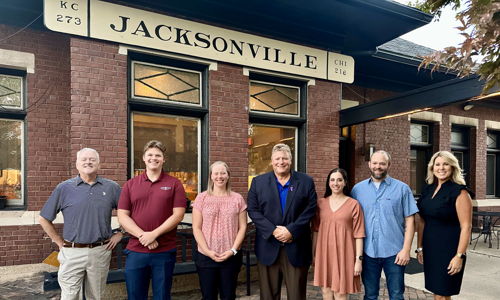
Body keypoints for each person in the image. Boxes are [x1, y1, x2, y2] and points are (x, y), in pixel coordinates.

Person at [39, 148, 122, 300]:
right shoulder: (64, 188)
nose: (88, 162)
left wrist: (120, 232)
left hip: (100, 251)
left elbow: (129, 212)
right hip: (72, 252)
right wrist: (57, 240)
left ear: (99, 164)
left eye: (92, 159)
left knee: (95, 296)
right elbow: (44, 218)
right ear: (77, 164)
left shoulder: (112, 188)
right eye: (84, 159)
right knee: (70, 296)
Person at [117, 140, 186, 300]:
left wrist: (154, 234)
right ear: (143, 158)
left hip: (163, 251)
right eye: (150, 154)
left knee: (162, 296)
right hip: (136, 250)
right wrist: (144, 237)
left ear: (163, 159)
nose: (153, 158)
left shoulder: (174, 184)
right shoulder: (130, 185)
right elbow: (122, 216)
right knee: (135, 295)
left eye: (158, 155)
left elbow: (178, 215)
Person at [247, 143, 317, 300]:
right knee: (268, 295)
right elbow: (253, 210)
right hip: (268, 245)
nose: (281, 162)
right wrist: (273, 230)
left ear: (290, 160)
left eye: (284, 158)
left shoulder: (306, 181)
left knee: (296, 295)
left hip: (296, 245)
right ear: (272, 161)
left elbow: (310, 209)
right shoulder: (258, 182)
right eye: (277, 158)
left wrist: (291, 230)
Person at [351, 150, 418, 300]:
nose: (378, 166)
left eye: (382, 163)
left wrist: (406, 250)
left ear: (389, 165)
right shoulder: (357, 190)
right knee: (370, 295)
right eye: (375, 163)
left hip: (395, 252)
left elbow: (410, 221)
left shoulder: (402, 189)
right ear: (369, 164)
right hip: (368, 252)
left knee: (396, 294)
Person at [415, 151, 473, 300]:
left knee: (442, 293)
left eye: (445, 164)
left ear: (453, 167)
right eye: (438, 164)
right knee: (438, 292)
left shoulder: (460, 192)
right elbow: (422, 220)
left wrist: (459, 255)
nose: (441, 168)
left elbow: (466, 226)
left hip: (450, 250)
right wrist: (420, 247)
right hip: (431, 248)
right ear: (432, 168)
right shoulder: (428, 189)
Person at [192, 161, 247, 300]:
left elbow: (243, 227)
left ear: (228, 175)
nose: (219, 176)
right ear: (211, 176)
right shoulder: (202, 198)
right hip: (206, 256)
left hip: (230, 256)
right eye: (216, 173)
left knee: (228, 296)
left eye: (223, 173)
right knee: (208, 296)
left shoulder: (237, 199)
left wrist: (233, 250)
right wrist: (207, 251)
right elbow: (196, 228)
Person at [312, 168, 365, 300]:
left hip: (345, 255)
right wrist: (314, 255)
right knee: (326, 292)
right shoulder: (320, 204)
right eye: (332, 180)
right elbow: (316, 231)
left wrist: (358, 260)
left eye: (339, 180)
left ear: (345, 183)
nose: (336, 183)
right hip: (324, 254)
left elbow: (359, 234)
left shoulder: (354, 204)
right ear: (328, 183)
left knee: (341, 294)